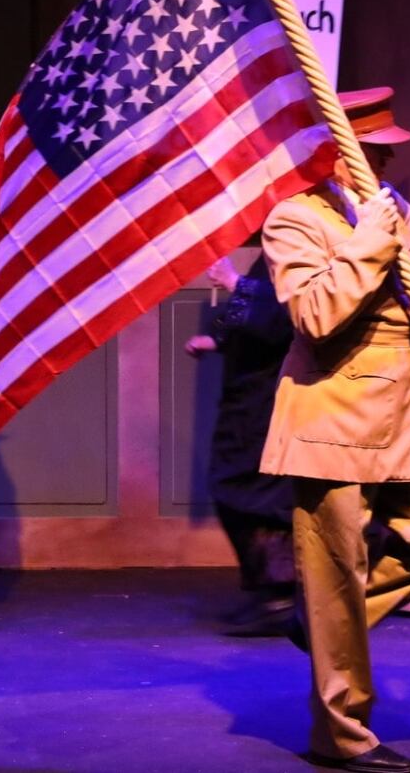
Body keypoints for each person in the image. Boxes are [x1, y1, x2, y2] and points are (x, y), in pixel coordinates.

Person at [260, 86, 410, 773]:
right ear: (338, 152)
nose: (385, 163)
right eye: (375, 150)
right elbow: (316, 316)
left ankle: (324, 624)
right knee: (333, 579)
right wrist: (372, 241)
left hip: (399, 425)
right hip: (330, 423)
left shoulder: (390, 209)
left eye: (387, 152)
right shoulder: (295, 219)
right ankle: (343, 737)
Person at [184, 250, 296, 636]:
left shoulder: (300, 251)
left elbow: (293, 318)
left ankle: (280, 595)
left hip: (272, 398)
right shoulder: (272, 253)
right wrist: (217, 340)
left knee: (257, 492)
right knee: (236, 484)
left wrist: (236, 284)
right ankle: (271, 592)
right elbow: (258, 324)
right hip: (249, 394)